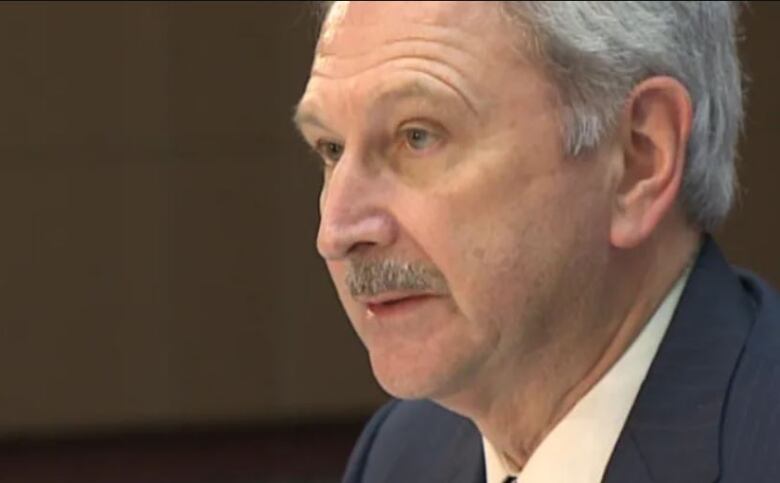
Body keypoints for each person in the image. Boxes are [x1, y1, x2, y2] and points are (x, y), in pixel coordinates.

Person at [293, 1, 780, 482]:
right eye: (331, 149)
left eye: (417, 136)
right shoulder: (404, 452)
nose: (336, 232)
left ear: (638, 160)